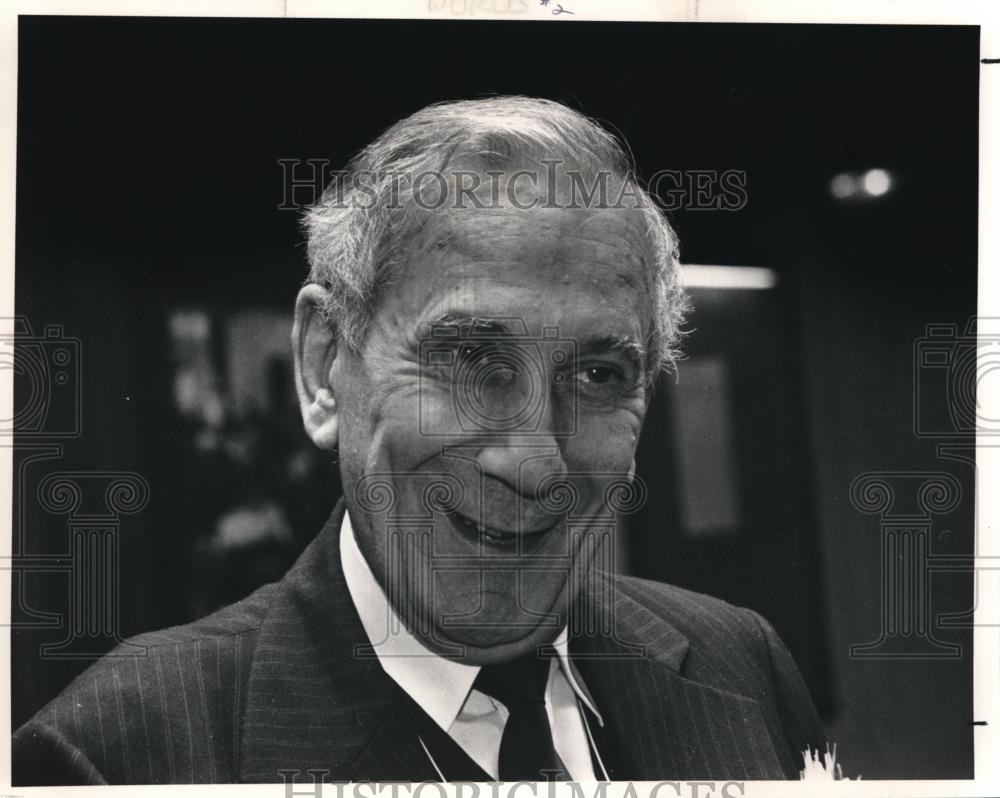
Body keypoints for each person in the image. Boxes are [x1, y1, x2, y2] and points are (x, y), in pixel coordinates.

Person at [12, 96, 826, 784]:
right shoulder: (120, 755)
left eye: (599, 376)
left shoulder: (742, 666)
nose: (536, 459)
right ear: (324, 365)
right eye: (474, 360)